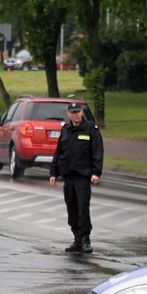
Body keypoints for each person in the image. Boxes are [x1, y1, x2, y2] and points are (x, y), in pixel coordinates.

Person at [49, 102, 104, 253]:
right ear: (68, 114)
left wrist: (96, 172)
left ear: (82, 112)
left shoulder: (90, 129)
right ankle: (76, 238)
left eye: (78, 112)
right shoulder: (66, 130)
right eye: (73, 112)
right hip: (68, 176)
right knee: (71, 208)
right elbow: (59, 151)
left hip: (83, 177)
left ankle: (85, 239)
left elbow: (98, 151)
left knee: (83, 208)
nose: (76, 115)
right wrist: (53, 172)